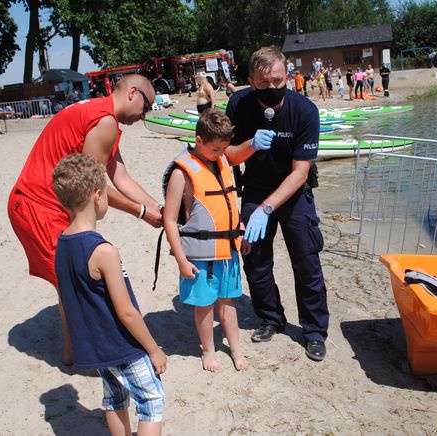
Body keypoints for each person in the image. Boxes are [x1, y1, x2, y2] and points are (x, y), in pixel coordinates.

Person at [7, 74, 163, 365]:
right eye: (146, 107)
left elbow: (121, 177)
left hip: (46, 205)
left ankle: (72, 352)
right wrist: (141, 213)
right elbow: (95, 187)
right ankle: (75, 354)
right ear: (132, 93)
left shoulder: (103, 116)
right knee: (72, 280)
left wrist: (158, 208)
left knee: (71, 278)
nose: (143, 116)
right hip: (37, 205)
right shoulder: (104, 121)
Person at [224, 47, 330, 362]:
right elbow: (225, 155)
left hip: (294, 193)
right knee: (255, 260)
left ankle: (313, 332)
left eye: (278, 80)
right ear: (251, 81)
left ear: (287, 77)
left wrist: (266, 209)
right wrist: (248, 144)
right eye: (264, 82)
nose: (272, 88)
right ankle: (271, 318)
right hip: (255, 187)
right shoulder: (237, 105)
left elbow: (300, 172)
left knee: (307, 263)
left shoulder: (305, 111)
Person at [52, 154, 167, 436]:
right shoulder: (103, 251)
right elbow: (126, 311)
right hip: (123, 345)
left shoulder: (62, 243)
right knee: (152, 401)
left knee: (115, 399)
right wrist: (153, 348)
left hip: (96, 346)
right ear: (98, 196)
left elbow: (67, 299)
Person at [163, 111, 250, 372]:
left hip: (228, 250)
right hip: (200, 255)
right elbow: (169, 220)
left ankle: (235, 349)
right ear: (199, 140)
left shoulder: (222, 161)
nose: (220, 154)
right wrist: (180, 260)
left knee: (228, 300)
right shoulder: (182, 172)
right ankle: (208, 350)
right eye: (215, 149)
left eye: (224, 148)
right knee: (204, 304)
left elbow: (227, 203)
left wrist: (239, 228)